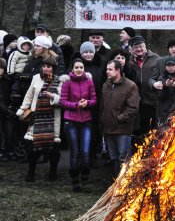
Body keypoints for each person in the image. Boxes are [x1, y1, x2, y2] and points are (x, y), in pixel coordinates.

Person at [16, 57, 63, 182]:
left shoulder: (59, 80)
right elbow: (29, 95)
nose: (46, 68)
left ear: (53, 68)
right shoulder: (36, 77)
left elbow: (62, 100)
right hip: (36, 118)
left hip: (52, 119)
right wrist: (23, 109)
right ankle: (31, 173)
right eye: (44, 66)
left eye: (49, 67)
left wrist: (52, 96)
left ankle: (53, 173)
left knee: (53, 149)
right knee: (33, 149)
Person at [60, 58, 97, 192]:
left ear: (84, 68)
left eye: (81, 67)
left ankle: (85, 179)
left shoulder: (89, 81)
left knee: (86, 152)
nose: (79, 69)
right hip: (71, 121)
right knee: (75, 152)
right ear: (72, 69)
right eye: (76, 67)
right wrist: (76, 105)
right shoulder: (67, 82)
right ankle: (75, 181)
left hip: (86, 120)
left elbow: (94, 99)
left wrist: (87, 103)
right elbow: (62, 102)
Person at [100, 60, 139, 177]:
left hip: (122, 129)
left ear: (118, 70)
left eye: (110, 69)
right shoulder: (105, 85)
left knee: (124, 158)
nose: (107, 72)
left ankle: (125, 186)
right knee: (113, 158)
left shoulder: (130, 85)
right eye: (107, 69)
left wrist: (118, 119)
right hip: (108, 129)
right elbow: (102, 107)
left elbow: (132, 108)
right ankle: (115, 185)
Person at [128, 36, 160, 136]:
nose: (139, 49)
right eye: (136, 47)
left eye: (141, 46)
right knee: (141, 132)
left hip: (154, 101)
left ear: (145, 46)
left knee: (155, 131)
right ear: (131, 49)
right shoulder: (129, 62)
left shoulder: (156, 59)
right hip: (138, 102)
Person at [155, 56, 175, 125]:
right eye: (168, 65)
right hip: (164, 112)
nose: (171, 67)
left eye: (173, 65)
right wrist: (166, 86)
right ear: (165, 67)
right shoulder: (161, 77)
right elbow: (159, 96)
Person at [0, 58, 17, 162]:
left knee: (9, 132)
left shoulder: (7, 80)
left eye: (1, 68)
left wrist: (10, 107)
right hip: (3, 110)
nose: (0, 70)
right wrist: (5, 110)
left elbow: (11, 94)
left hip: (7, 110)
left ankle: (9, 151)